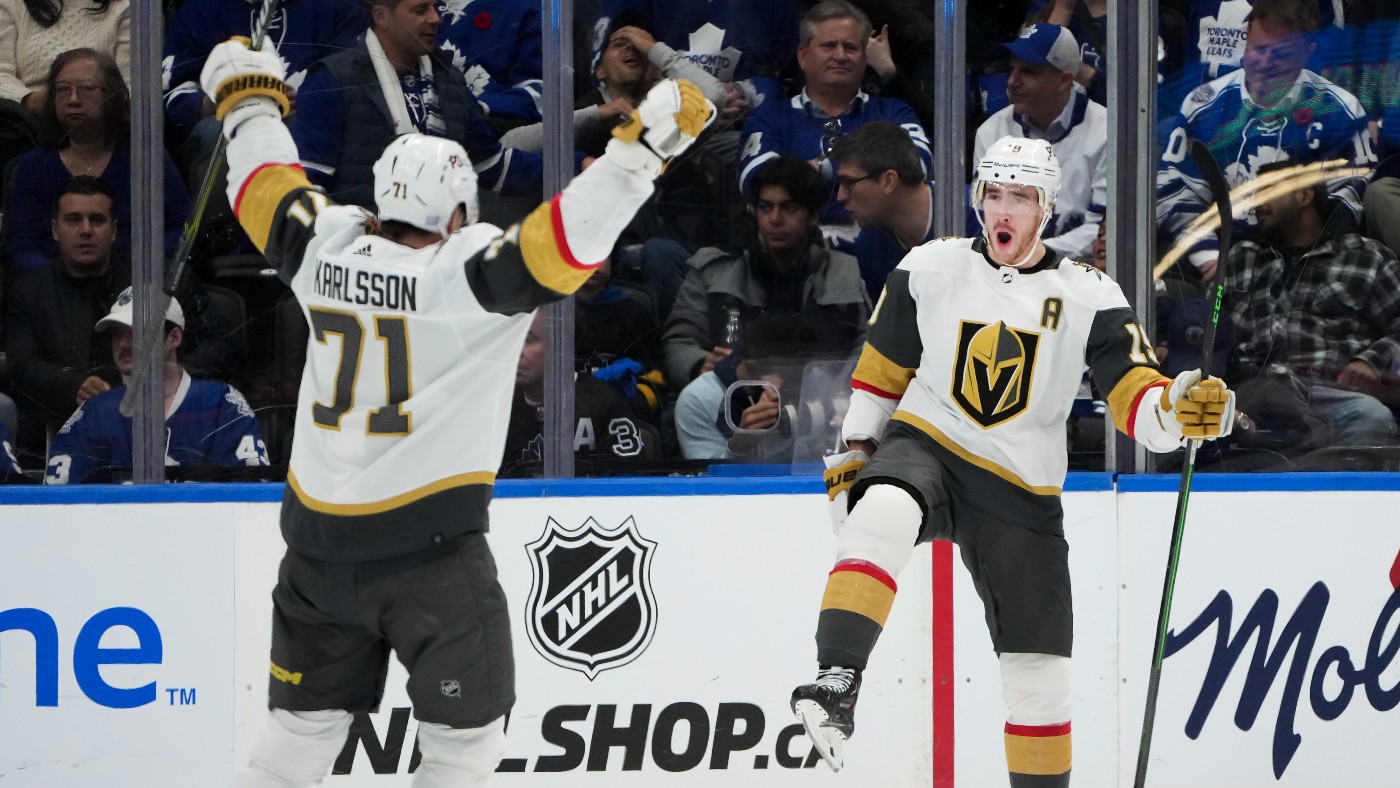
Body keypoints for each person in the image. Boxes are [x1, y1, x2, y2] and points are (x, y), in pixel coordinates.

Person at [198, 31, 712, 785]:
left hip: (315, 552)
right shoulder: (464, 278)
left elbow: (263, 182)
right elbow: (564, 238)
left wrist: (246, 101)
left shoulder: (324, 249)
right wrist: (641, 155)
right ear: (460, 210)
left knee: (296, 741)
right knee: (461, 751)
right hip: (429, 555)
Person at [791, 136, 1236, 783]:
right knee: (883, 508)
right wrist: (857, 452)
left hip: (1022, 489)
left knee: (1040, 683)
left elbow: (1135, 397)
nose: (1003, 209)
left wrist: (1180, 407)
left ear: (1046, 207)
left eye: (1021, 197)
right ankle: (836, 685)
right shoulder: (930, 267)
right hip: (929, 443)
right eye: (993, 193)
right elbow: (881, 375)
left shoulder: (1089, 293)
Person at [665, 155, 869, 459]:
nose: (775, 219)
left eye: (789, 208)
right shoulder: (713, 270)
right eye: (765, 207)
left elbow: (866, 348)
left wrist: (835, 393)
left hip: (824, 413)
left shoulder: (843, 271)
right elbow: (678, 342)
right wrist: (699, 364)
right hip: (730, 401)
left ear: (813, 216)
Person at [1155, 0, 1372, 283]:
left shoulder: (1341, 111)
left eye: (1280, 54)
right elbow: (1175, 192)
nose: (1266, 63)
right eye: (1258, 49)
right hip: (1221, 259)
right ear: (1245, 40)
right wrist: (1210, 258)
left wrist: (1307, 263)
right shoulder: (1202, 107)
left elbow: (1345, 201)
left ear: (1308, 52)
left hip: (1309, 266)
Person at [290, 0, 550, 212]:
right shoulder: (330, 81)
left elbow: (491, 165)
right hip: (359, 249)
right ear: (382, 16)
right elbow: (306, 187)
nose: (436, 18)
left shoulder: (449, 80)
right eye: (420, 10)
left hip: (438, 246)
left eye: (435, 7)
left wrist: (570, 168)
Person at [1224, 161, 1400, 448]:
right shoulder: (1243, 257)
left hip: (1330, 393)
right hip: (1253, 392)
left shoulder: (1365, 257)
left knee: (1371, 416)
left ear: (1304, 195)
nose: (1257, 203)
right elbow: (1212, 326)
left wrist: (1369, 361)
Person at [737, 0, 931, 242]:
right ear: (803, 56)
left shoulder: (894, 112)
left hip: (879, 249)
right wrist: (866, 174)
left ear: (864, 58)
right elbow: (756, 183)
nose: (840, 56)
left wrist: (819, 169)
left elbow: (916, 169)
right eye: (829, 46)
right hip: (797, 251)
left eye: (850, 47)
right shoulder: (768, 116)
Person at [44, 287, 269, 484]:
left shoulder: (222, 406)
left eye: (137, 332)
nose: (123, 343)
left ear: (174, 338)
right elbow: (57, 503)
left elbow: (250, 497)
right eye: (116, 334)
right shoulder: (94, 413)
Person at [4, 48, 189, 278]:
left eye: (86, 88)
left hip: (135, 282)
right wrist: (60, 279)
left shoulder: (145, 157)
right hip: (56, 289)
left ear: (112, 94)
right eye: (63, 90)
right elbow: (21, 244)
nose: (73, 99)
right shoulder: (34, 165)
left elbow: (182, 227)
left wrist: (132, 268)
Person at [973, 23, 1107, 262]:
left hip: (1078, 273)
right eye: (1011, 70)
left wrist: (1032, 255)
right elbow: (983, 216)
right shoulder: (991, 132)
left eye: (1028, 72)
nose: (1012, 81)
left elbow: (1101, 231)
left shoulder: (1107, 132)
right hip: (1004, 269)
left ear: (1064, 80)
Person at [499, 310, 652, 477]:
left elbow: (628, 480)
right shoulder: (498, 407)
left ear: (557, 347)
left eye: (528, 340)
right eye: (513, 339)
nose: (516, 351)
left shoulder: (602, 401)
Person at [827, 121, 938, 301]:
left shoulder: (980, 219)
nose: (840, 196)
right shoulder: (870, 245)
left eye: (848, 183)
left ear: (888, 181)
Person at [0, 0, 129, 113]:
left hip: (99, 118)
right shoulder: (11, 3)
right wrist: (30, 99)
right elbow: (2, 74)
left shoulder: (125, 7)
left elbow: (129, 86)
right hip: (23, 116)